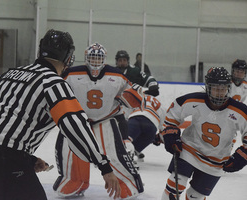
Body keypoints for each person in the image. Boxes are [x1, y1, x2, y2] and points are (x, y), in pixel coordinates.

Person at [0, 30, 121, 200]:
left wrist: (28, 159)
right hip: (4, 159)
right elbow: (76, 127)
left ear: (40, 51)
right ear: (68, 58)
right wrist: (104, 166)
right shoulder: (53, 83)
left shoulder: (10, 75)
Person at [53, 43, 144, 199]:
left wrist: (134, 94)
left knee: (113, 154)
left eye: (99, 58)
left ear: (104, 59)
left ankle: (127, 183)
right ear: (86, 58)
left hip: (106, 119)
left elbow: (133, 90)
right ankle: (74, 181)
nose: (95, 61)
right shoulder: (71, 73)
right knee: (69, 151)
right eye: (92, 58)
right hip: (78, 121)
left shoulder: (117, 75)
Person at [159, 67, 247, 200]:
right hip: (189, 150)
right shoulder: (193, 100)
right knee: (175, 185)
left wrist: (242, 156)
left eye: (223, 89)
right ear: (208, 87)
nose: (219, 93)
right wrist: (171, 134)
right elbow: (172, 115)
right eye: (216, 88)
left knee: (195, 196)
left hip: (216, 160)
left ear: (228, 88)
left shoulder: (239, 111)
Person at [125, 89, 166, 162]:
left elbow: (126, 115)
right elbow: (163, 126)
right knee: (148, 137)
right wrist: (159, 137)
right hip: (152, 124)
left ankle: (126, 154)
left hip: (136, 118)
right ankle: (136, 151)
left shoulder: (137, 97)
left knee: (127, 140)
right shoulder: (159, 104)